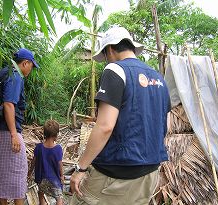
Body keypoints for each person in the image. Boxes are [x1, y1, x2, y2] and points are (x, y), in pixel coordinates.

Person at [70, 26, 171, 205]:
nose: (106, 61)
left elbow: (105, 126)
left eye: (105, 56)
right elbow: (166, 124)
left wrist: (81, 168)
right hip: (149, 173)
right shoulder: (158, 78)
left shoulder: (115, 70)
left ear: (110, 49)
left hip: (116, 174)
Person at [0, 48, 39, 205]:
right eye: (31, 66)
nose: (31, 69)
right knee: (19, 170)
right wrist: (14, 134)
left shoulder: (0, 73)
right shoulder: (15, 75)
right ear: (25, 63)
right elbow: (9, 104)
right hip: (7, 131)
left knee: (0, 171)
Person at [28, 119, 64, 205]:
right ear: (56, 135)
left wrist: (29, 172)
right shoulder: (58, 149)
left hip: (41, 179)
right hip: (54, 179)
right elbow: (60, 164)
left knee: (41, 194)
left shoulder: (39, 147)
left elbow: (34, 161)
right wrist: (62, 176)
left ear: (45, 134)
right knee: (59, 197)